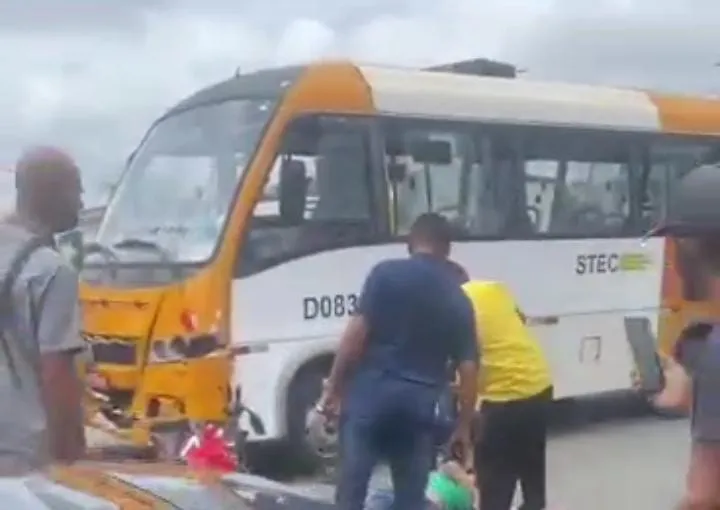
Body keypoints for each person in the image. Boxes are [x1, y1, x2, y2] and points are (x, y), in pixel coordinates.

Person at [318, 213, 479, 510]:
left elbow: (355, 336)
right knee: (410, 499)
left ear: (410, 244)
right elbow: (469, 369)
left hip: (370, 399)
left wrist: (334, 388)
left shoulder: (385, 274)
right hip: (418, 408)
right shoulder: (459, 298)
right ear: (447, 249)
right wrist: (463, 427)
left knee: (351, 493)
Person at [0, 146, 86, 472]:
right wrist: (71, 462)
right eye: (76, 190)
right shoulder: (50, 270)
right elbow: (57, 375)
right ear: (53, 193)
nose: (80, 202)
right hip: (22, 461)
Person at [461, 280, 552, 510]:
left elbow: (465, 364)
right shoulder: (492, 288)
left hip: (504, 399)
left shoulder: (451, 303)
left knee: (495, 486)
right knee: (531, 467)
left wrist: (464, 420)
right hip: (539, 382)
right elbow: (520, 319)